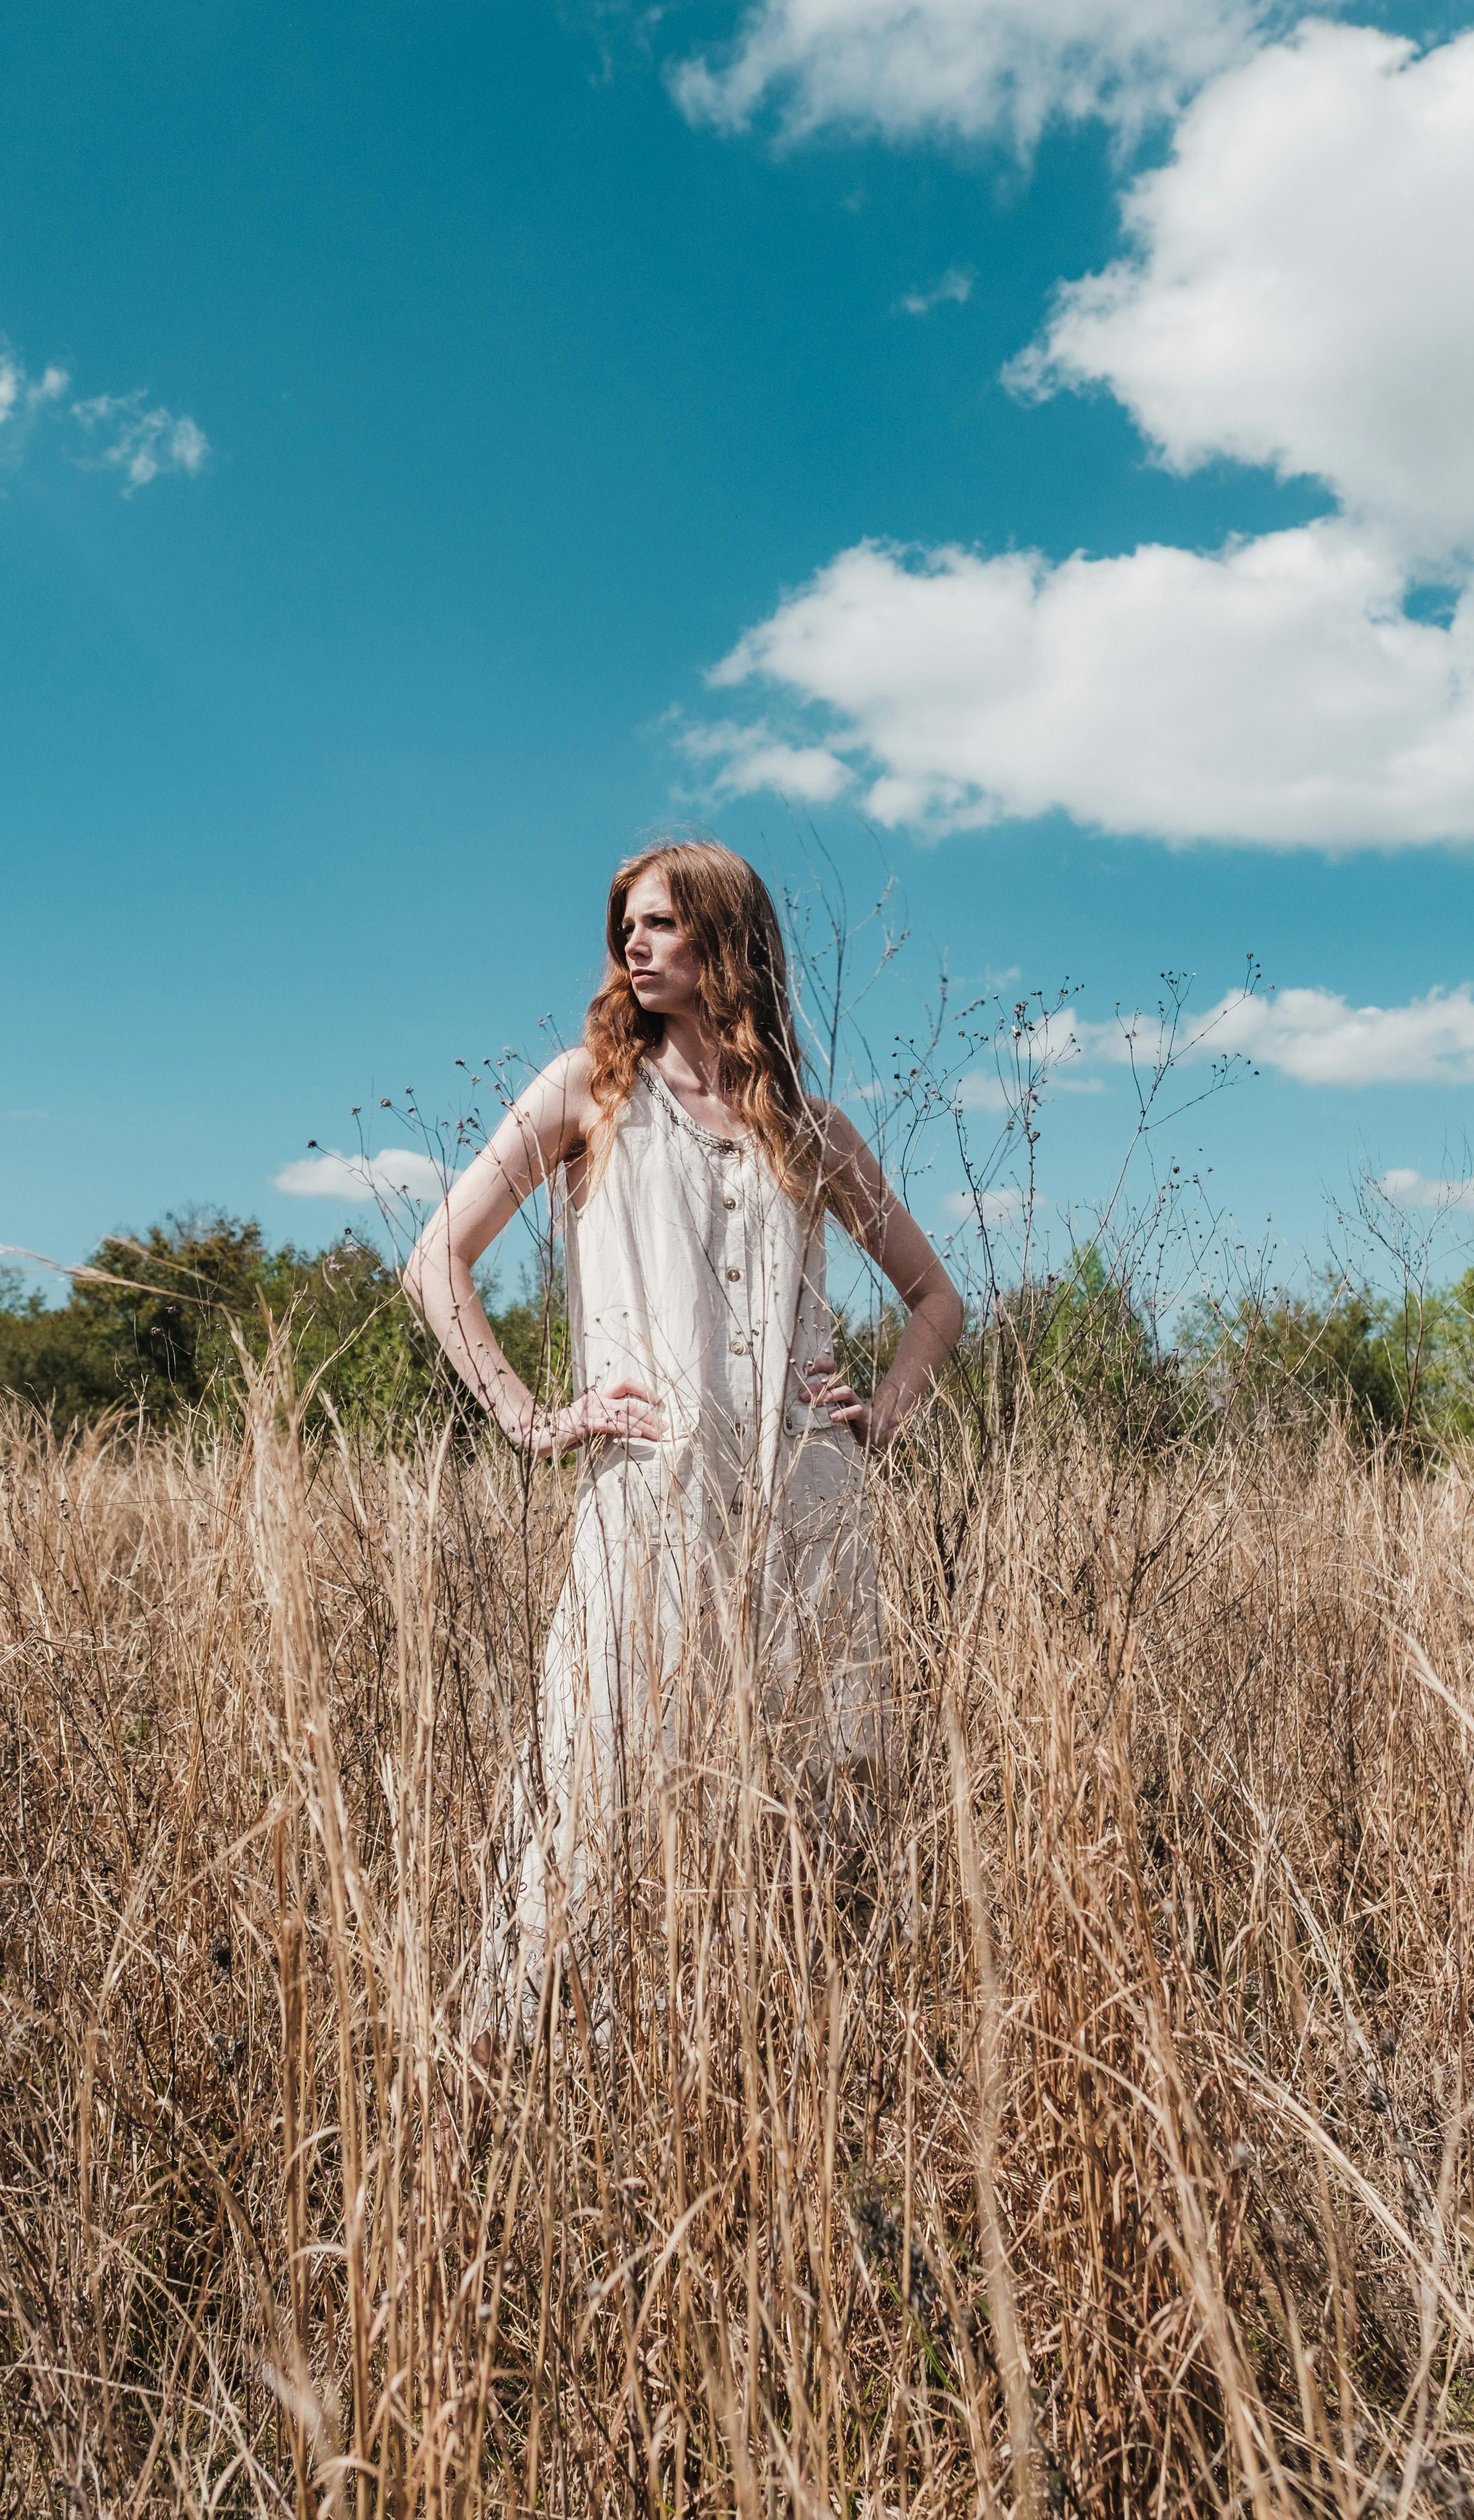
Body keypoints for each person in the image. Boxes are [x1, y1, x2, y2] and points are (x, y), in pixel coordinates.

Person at [405, 840, 965, 2049]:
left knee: (799, 1787)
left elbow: (939, 1302)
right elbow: (434, 1260)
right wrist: (534, 1419)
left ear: (728, 939)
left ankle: (779, 2059)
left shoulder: (808, 1129)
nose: (633, 946)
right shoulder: (585, 1096)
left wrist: (880, 1415)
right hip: (648, 1493)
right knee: (609, 1769)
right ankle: (584, 2064)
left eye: (661, 922)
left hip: (804, 1498)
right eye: (626, 926)